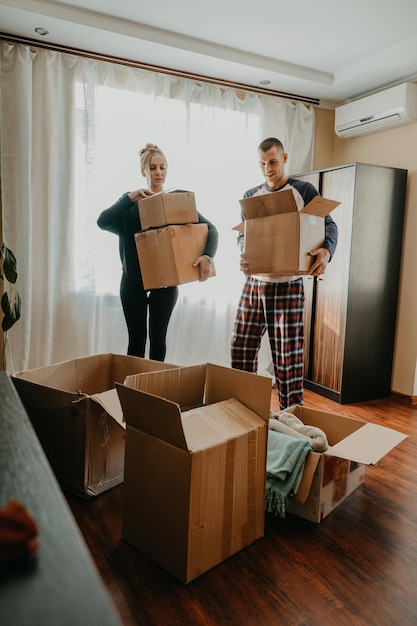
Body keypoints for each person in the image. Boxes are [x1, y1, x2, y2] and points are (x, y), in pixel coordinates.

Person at [231, 137, 338, 410]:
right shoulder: (251, 195)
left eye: (273, 162)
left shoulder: (303, 190)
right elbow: (244, 235)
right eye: (263, 163)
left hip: (288, 285)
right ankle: (244, 413)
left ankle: (293, 422)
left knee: (287, 361)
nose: (268, 168)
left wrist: (326, 252)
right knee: (240, 350)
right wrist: (244, 254)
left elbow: (328, 224)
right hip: (254, 285)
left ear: (285, 158)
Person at [97, 143, 218, 361]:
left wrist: (207, 256)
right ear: (143, 171)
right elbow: (102, 222)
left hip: (166, 284)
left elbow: (211, 229)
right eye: (153, 168)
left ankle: (152, 390)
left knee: (158, 340)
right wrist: (127, 199)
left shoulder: (176, 200)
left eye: (163, 167)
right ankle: (132, 392)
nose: (158, 172)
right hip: (132, 283)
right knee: (136, 342)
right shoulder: (130, 203)